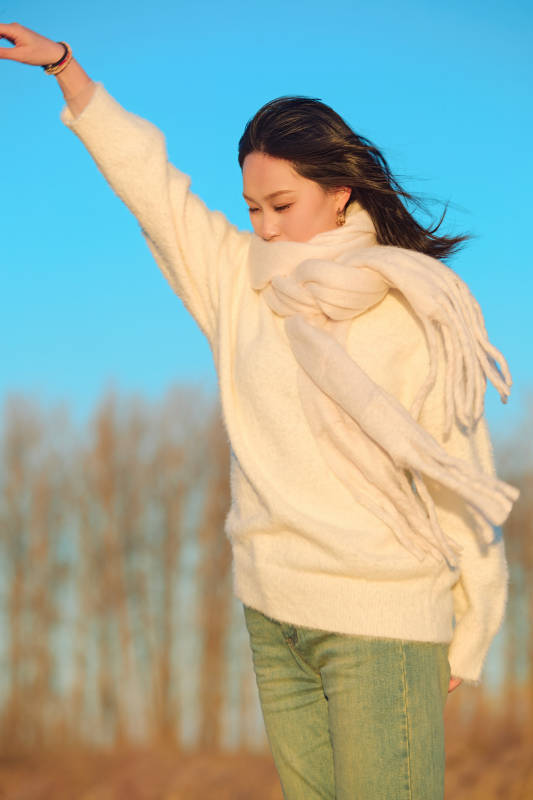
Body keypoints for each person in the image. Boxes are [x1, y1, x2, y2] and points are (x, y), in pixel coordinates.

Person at [1, 23, 520, 799]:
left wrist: (472, 625)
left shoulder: (408, 303)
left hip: (379, 622)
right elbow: (154, 189)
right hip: (273, 613)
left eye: (282, 204)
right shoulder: (240, 284)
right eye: (253, 208)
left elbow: (458, 470)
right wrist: (71, 75)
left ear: (338, 190)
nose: (266, 227)